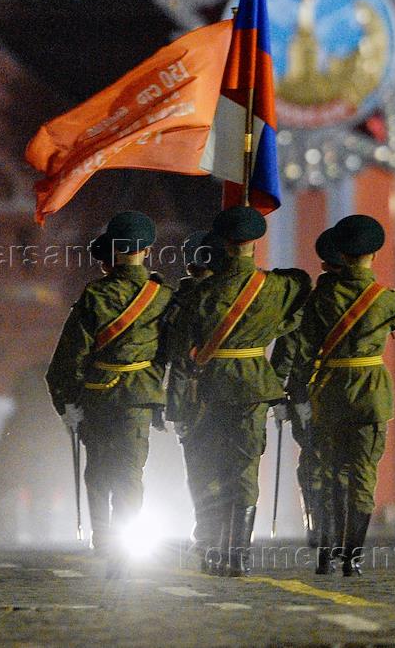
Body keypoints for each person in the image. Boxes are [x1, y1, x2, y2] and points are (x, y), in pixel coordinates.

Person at [171, 206, 311, 576]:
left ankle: (212, 549)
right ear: (255, 242)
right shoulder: (278, 288)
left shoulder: (201, 293)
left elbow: (180, 351)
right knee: (245, 469)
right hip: (253, 387)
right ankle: (237, 555)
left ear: (221, 244)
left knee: (208, 469)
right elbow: (302, 287)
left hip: (208, 388)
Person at [45, 211, 172, 575]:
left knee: (99, 469)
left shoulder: (95, 296)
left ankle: (103, 537)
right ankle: (125, 541)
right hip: (138, 399)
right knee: (130, 472)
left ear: (113, 252)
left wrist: (66, 402)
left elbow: (69, 357)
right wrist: (158, 391)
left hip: (97, 396)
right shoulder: (164, 297)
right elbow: (171, 353)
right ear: (148, 250)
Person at [288, 214, 395, 577]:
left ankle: (326, 552)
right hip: (371, 396)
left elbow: (304, 350)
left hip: (330, 394)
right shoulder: (390, 301)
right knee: (363, 474)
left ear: (340, 254)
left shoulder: (320, 299)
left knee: (328, 471)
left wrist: (296, 393)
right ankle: (352, 558)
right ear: (374, 254)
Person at [271, 228, 345, 548]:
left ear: (325, 265)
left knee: (313, 462)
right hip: (351, 393)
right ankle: (341, 529)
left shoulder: (307, 304)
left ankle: (318, 526)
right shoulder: (366, 302)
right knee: (346, 461)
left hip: (308, 395)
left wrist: (276, 395)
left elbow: (287, 352)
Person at [162, 230, 219, 564]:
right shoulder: (238, 293)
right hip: (235, 391)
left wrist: (171, 406)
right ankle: (229, 538)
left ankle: (209, 535)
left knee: (200, 470)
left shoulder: (178, 302)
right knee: (232, 468)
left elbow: (174, 355)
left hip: (192, 397)